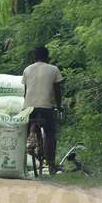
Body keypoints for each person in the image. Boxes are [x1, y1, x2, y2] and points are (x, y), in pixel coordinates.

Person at [22, 46, 63, 174]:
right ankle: (51, 164)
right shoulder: (54, 69)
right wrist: (59, 105)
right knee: (50, 134)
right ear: (47, 57)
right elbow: (57, 91)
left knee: (24, 132)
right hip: (46, 108)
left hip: (29, 108)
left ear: (34, 57)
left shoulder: (27, 69)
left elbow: (26, 92)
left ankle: (29, 139)